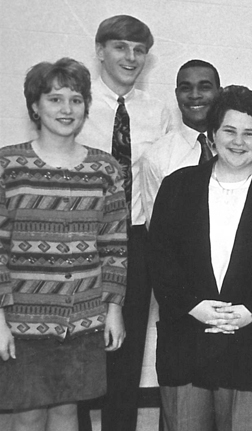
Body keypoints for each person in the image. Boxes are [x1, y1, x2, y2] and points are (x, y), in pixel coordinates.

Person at [148, 84, 252, 431]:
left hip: (251, 340)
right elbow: (159, 257)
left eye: (250, 133)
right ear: (212, 135)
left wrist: (250, 311)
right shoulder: (177, 186)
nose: (238, 141)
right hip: (188, 335)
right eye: (229, 131)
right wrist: (194, 306)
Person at [0, 58, 128, 431]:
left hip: (83, 318)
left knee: (68, 412)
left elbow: (115, 246)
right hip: (23, 319)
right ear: (35, 106)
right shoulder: (8, 165)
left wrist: (114, 309)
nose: (66, 109)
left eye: (75, 100)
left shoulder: (106, 169)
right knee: (27, 415)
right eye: (55, 99)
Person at [76, 15, 173, 431]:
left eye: (139, 50)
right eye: (121, 47)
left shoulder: (157, 112)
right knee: (78, 345)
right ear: (100, 51)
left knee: (126, 347)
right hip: (81, 237)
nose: (131, 57)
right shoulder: (77, 105)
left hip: (134, 237)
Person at [141, 59, 222, 225]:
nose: (195, 95)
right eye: (186, 88)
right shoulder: (156, 157)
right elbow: (157, 228)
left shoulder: (238, 148)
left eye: (204, 87)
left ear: (219, 93)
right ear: (176, 94)